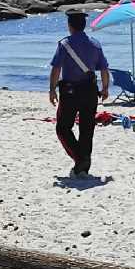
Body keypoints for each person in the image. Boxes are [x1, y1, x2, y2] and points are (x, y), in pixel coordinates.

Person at [49, 11, 110, 178]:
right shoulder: (95, 44)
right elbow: (104, 69)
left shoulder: (65, 44)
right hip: (90, 91)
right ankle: (84, 164)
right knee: (87, 128)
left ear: (70, 26)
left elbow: (56, 69)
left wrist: (52, 89)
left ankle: (80, 159)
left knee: (62, 128)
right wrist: (105, 88)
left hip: (70, 91)